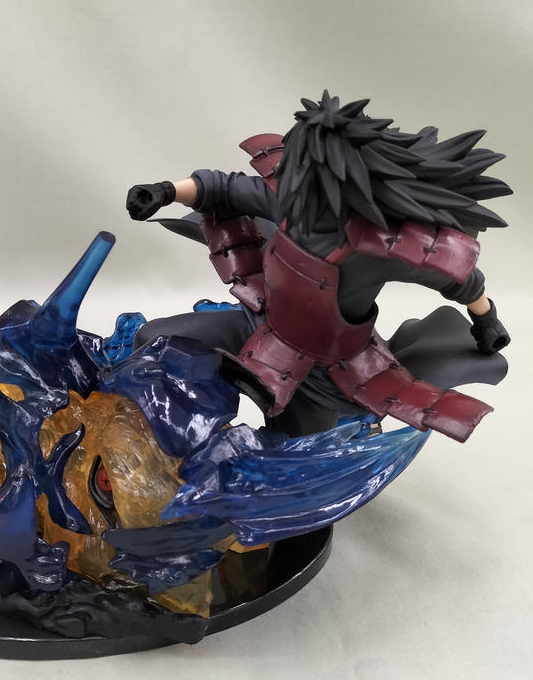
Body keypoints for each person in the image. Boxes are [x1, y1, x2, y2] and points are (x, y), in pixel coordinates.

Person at [125, 92, 511, 440]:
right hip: (258, 324)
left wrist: (486, 319)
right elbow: (220, 187)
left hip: (322, 374)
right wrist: (166, 191)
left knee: (294, 456)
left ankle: (345, 432)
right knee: (154, 342)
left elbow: (460, 279)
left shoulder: (379, 248)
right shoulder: (291, 200)